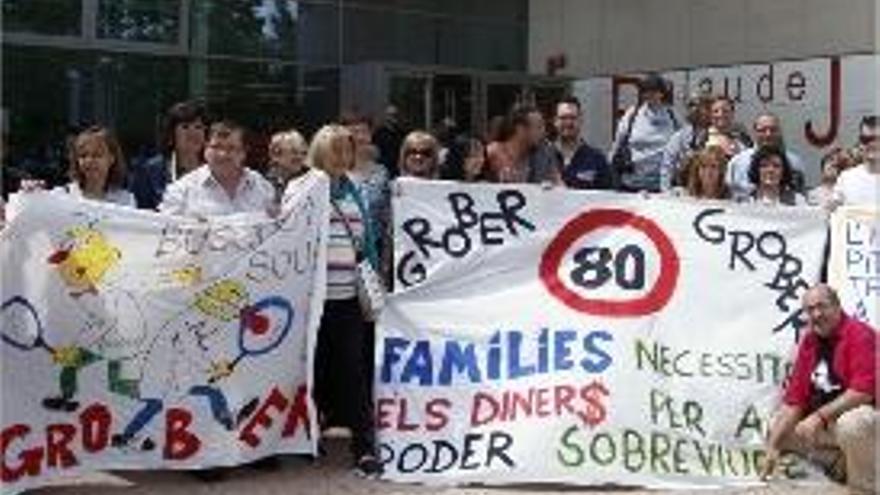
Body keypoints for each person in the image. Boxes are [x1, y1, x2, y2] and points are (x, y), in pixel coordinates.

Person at [308, 124, 381, 477]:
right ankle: (309, 434)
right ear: (320, 152)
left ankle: (363, 446)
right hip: (313, 303)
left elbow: (366, 240)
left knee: (353, 373)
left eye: (347, 150)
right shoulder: (304, 188)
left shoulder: (357, 190)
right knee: (315, 371)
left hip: (350, 299)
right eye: (336, 149)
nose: (343, 157)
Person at [761, 284, 876, 494]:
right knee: (775, 428)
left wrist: (819, 417)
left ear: (838, 306)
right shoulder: (810, 341)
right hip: (829, 426)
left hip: (867, 421)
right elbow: (795, 400)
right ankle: (843, 467)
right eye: (810, 309)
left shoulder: (861, 334)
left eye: (822, 306)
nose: (816, 314)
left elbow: (863, 391)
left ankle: (865, 488)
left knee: (852, 424)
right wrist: (772, 446)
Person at [159, 120, 275, 217]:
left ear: (243, 153)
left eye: (231, 148)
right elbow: (164, 234)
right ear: (205, 150)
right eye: (216, 147)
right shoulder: (181, 190)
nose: (222, 154)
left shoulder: (262, 187)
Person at [608, 73, 680, 192]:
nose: (650, 95)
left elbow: (681, 144)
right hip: (631, 185)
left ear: (662, 93)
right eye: (646, 91)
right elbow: (617, 145)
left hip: (663, 185)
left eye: (654, 91)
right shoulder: (632, 114)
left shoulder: (673, 116)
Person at [130, 100, 206, 209]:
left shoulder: (215, 169)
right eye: (185, 127)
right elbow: (141, 214)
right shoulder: (151, 171)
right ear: (171, 134)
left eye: (198, 127)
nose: (193, 133)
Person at [42, 125, 135, 206]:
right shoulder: (61, 196)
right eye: (83, 155)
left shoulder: (126, 201)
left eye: (97, 155)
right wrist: (31, 192)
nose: (89, 160)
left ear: (111, 159)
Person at [725, 113, 805, 201]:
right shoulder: (737, 162)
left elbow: (799, 190)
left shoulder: (794, 162)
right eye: (762, 130)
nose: (768, 134)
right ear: (754, 132)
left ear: (780, 132)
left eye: (773, 130)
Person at [488, 104, 561, 184]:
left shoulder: (545, 155)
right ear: (521, 129)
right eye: (539, 127)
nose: (543, 132)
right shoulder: (492, 152)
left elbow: (559, 184)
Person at [552, 96, 612, 190]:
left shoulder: (597, 159)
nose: (568, 122)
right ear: (555, 121)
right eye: (563, 118)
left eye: (572, 118)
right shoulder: (542, 156)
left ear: (580, 120)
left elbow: (610, 197)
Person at [661, 93, 712, 189]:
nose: (696, 109)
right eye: (691, 105)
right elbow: (667, 168)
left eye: (701, 105)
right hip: (683, 192)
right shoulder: (678, 137)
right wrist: (666, 192)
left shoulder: (718, 135)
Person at [833, 115, 880, 207]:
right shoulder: (845, 178)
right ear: (860, 142)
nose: (872, 144)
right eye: (866, 139)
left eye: (877, 139)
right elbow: (834, 215)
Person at [265, 128, 309, 201]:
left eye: (303, 153)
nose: (300, 157)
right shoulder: (262, 185)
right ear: (276, 155)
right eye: (294, 152)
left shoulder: (310, 182)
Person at [372, 105, 407, 178]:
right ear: (385, 117)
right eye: (390, 115)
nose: (393, 118)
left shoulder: (402, 133)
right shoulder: (379, 134)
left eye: (395, 115)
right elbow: (375, 153)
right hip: (384, 170)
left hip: (399, 170)